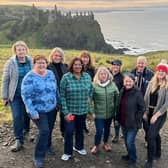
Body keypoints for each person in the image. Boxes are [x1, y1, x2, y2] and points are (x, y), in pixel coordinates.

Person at [21, 55, 59, 168]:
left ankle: (48, 145)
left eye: (43, 63)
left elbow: (55, 89)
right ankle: (38, 156)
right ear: (34, 64)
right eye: (39, 63)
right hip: (37, 110)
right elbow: (26, 96)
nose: (41, 65)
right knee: (44, 130)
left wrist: (58, 102)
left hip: (51, 107)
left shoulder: (50, 73)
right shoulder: (29, 77)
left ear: (46, 64)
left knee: (50, 128)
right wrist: (32, 111)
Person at [1, 41, 32, 152]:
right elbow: (5, 80)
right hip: (15, 95)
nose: (21, 51)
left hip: (28, 95)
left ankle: (26, 132)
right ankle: (18, 140)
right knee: (17, 116)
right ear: (15, 51)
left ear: (26, 50)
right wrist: (4, 96)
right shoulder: (10, 62)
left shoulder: (31, 61)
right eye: (19, 50)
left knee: (27, 114)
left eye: (23, 49)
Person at [60, 57, 92, 161]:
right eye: (75, 64)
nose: (78, 66)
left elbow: (91, 90)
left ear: (82, 66)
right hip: (70, 112)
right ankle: (67, 152)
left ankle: (79, 147)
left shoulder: (87, 76)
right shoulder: (66, 77)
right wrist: (65, 112)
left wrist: (88, 106)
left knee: (80, 130)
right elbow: (62, 96)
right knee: (69, 131)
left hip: (82, 111)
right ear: (72, 66)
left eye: (80, 64)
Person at [116, 72, 145, 167]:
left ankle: (133, 159)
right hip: (123, 121)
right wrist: (117, 118)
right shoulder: (122, 90)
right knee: (126, 141)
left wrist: (136, 120)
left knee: (129, 141)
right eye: (126, 81)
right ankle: (129, 155)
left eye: (130, 81)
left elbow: (142, 108)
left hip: (133, 124)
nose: (128, 83)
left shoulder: (137, 93)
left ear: (134, 82)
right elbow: (118, 106)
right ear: (124, 82)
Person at [143, 63, 168, 168]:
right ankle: (158, 152)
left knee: (150, 136)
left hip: (160, 114)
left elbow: (166, 103)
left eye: (163, 71)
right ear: (157, 72)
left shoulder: (167, 85)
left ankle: (150, 160)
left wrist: (156, 115)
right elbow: (145, 98)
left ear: (166, 73)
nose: (161, 72)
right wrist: (144, 112)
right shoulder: (151, 83)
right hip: (148, 112)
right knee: (153, 133)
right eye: (159, 70)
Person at [90, 66, 119, 154]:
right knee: (99, 130)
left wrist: (116, 111)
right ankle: (96, 145)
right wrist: (92, 111)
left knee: (107, 129)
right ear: (98, 75)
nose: (103, 75)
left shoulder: (112, 85)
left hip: (110, 113)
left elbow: (117, 98)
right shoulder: (94, 85)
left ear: (108, 75)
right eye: (101, 74)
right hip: (98, 114)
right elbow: (89, 100)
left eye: (105, 74)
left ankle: (105, 143)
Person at [131, 56, 154, 145]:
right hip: (134, 101)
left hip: (145, 102)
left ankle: (147, 140)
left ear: (146, 64)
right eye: (139, 63)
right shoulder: (132, 72)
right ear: (136, 63)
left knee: (146, 123)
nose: (140, 65)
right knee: (133, 120)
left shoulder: (151, 74)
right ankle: (131, 136)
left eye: (142, 63)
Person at [48, 47, 67, 142]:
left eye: (59, 56)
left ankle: (64, 134)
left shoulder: (65, 66)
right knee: (51, 119)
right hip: (53, 96)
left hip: (64, 96)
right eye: (56, 55)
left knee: (64, 117)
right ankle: (48, 139)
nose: (57, 57)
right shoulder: (48, 67)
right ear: (52, 56)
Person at [80, 50, 95, 133]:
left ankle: (84, 125)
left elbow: (93, 81)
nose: (84, 59)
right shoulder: (77, 66)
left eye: (86, 57)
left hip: (87, 92)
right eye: (83, 57)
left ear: (89, 59)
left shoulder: (91, 69)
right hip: (78, 93)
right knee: (77, 111)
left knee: (85, 110)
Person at [109, 59, 123, 143]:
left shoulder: (122, 77)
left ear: (120, 67)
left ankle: (116, 135)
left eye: (117, 65)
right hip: (108, 100)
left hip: (117, 102)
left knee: (116, 119)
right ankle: (107, 132)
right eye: (114, 65)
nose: (115, 67)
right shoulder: (108, 75)